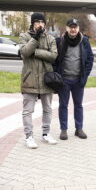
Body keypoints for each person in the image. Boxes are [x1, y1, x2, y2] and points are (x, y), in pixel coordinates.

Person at [19, 13, 58, 149]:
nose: (40, 24)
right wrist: (35, 38)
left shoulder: (50, 38)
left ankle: (46, 133)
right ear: (32, 24)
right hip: (30, 78)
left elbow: (53, 56)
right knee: (27, 111)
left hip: (47, 79)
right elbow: (24, 52)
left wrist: (35, 52)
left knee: (47, 109)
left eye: (42, 22)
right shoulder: (24, 36)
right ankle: (29, 136)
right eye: (37, 22)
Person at [55, 19, 94, 140]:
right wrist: (57, 75)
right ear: (66, 28)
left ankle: (79, 128)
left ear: (78, 28)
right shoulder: (59, 41)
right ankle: (63, 130)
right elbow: (54, 60)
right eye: (71, 27)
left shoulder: (85, 41)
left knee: (78, 105)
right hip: (64, 80)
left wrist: (85, 75)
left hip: (78, 81)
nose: (73, 29)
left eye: (75, 27)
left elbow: (90, 59)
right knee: (63, 105)